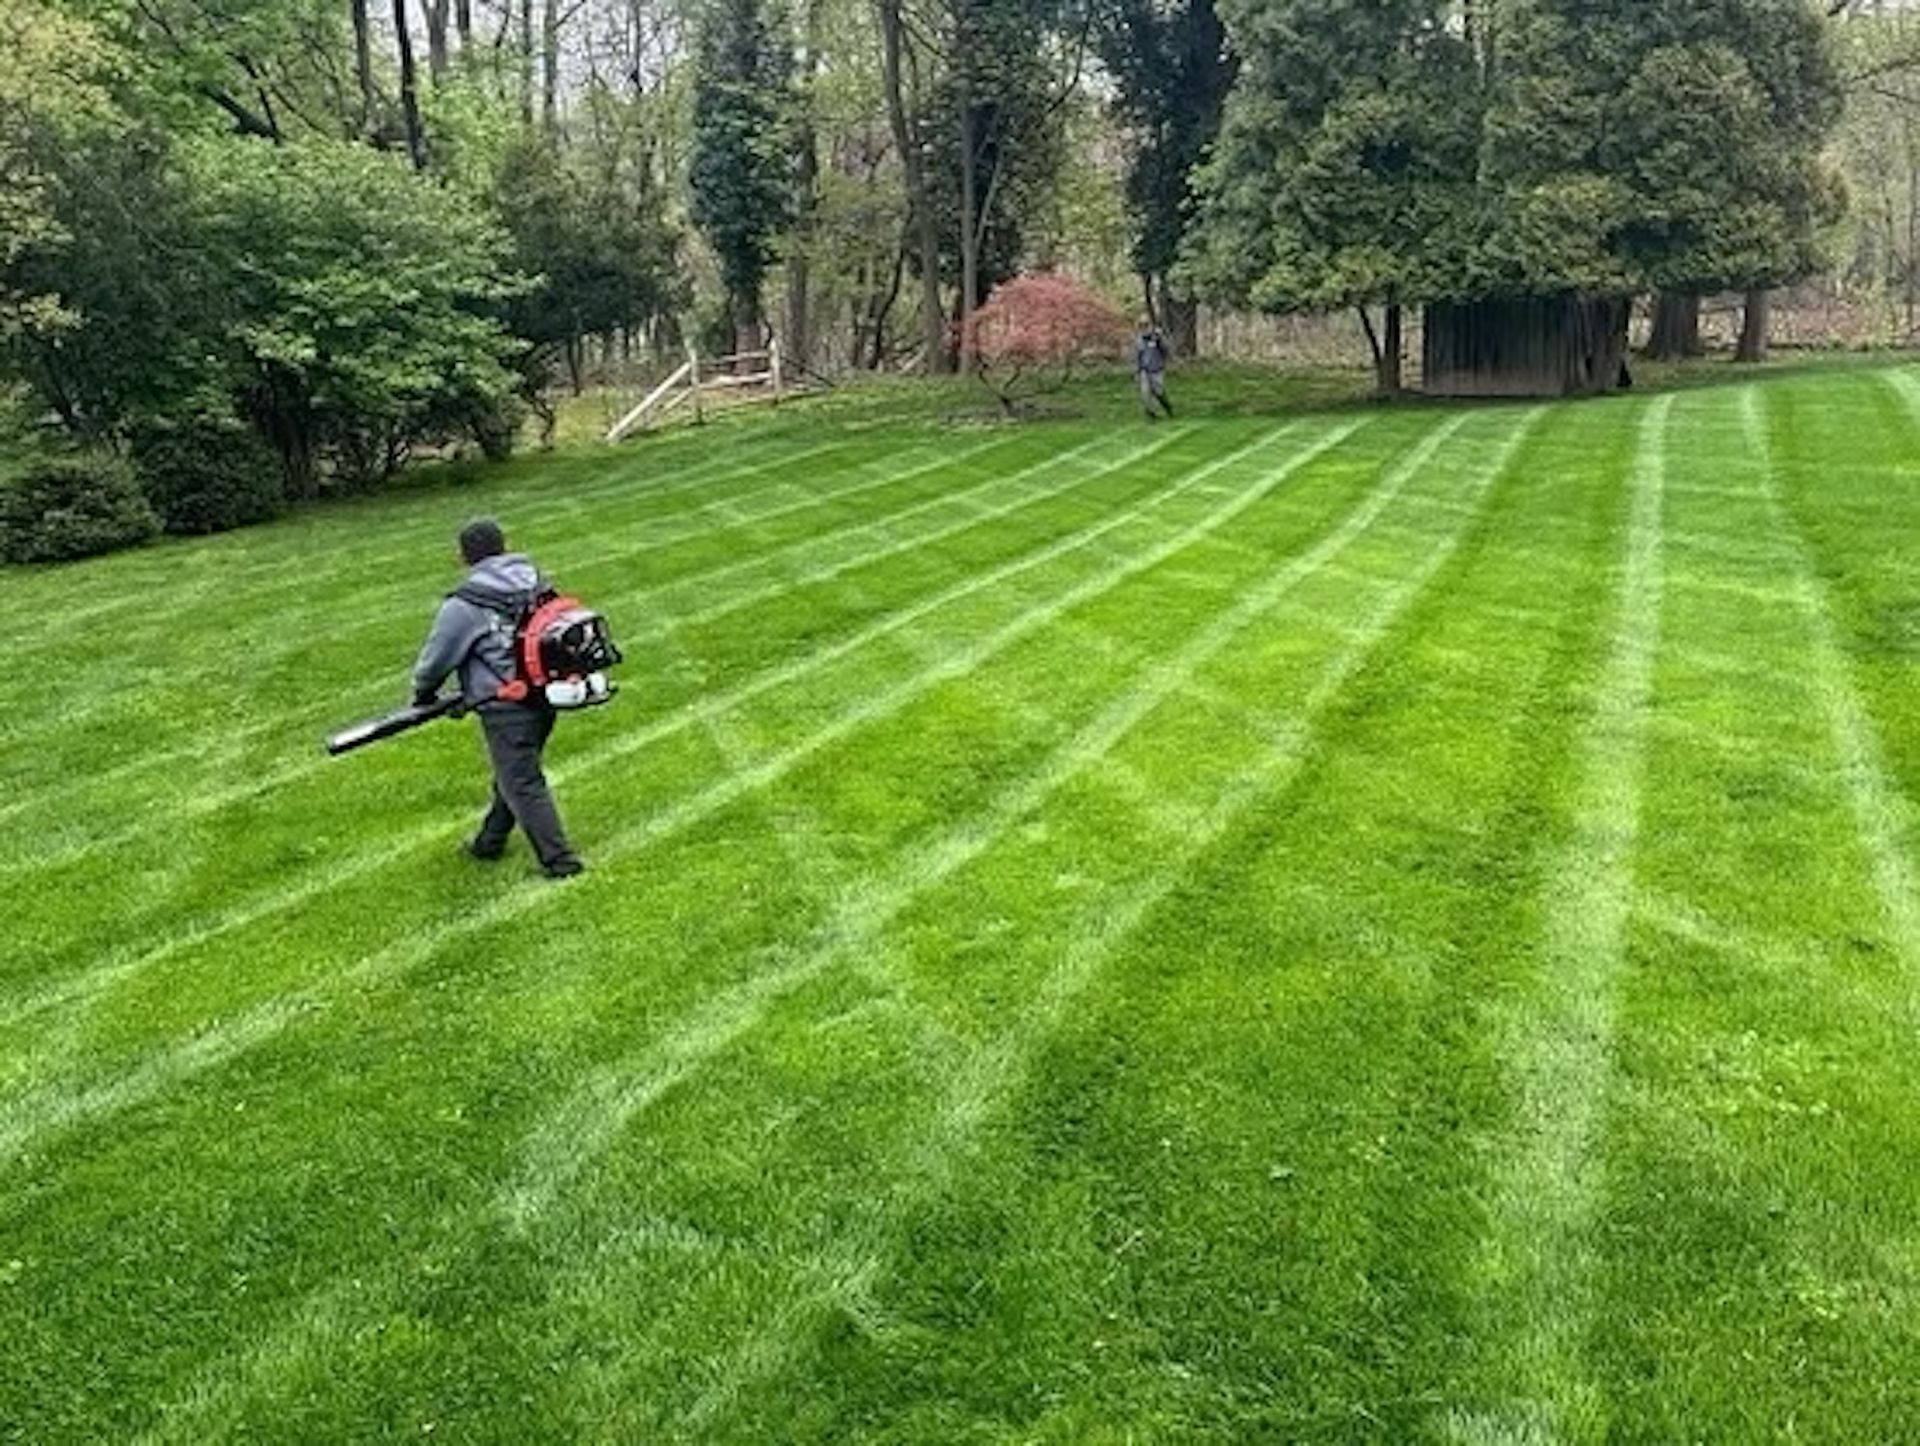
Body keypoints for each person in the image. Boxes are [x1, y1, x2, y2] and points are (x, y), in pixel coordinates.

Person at [412, 518, 584, 879]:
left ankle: (560, 861)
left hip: (505, 704)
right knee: (513, 772)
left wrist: (423, 694)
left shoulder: (464, 604)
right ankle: (488, 843)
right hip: (544, 693)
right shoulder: (536, 581)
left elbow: (436, 660)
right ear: (504, 546)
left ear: (463, 556)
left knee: (521, 780)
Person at [1135, 322, 1174, 420]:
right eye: (1142, 327)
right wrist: (1137, 371)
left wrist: (1159, 339)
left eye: (1146, 326)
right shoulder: (1139, 340)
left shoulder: (1157, 339)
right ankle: (1151, 414)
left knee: (1158, 392)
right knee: (1145, 393)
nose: (1144, 329)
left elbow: (1166, 351)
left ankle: (1167, 407)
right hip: (1145, 370)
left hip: (1157, 370)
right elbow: (1137, 357)